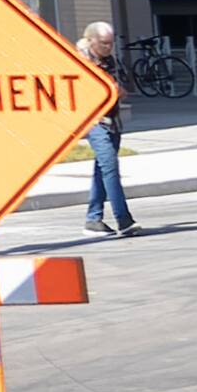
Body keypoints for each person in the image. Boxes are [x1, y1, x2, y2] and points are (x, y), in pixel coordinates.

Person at [77, 21, 134, 235]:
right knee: (110, 167)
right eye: (103, 43)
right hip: (95, 121)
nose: (108, 47)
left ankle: (93, 219)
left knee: (101, 169)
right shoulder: (80, 63)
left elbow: (127, 84)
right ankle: (124, 219)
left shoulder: (112, 61)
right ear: (90, 40)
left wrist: (119, 89)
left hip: (113, 119)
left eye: (110, 43)